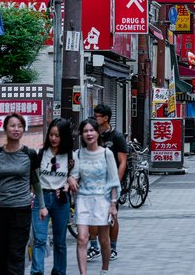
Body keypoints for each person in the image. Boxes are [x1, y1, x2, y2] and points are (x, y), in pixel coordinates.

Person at [0, 113, 45, 275]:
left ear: (23, 130)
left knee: (16, 254)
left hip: (21, 210)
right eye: (13, 126)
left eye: (20, 126)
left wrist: (42, 206)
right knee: (1, 253)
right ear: (5, 129)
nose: (16, 129)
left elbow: (36, 182)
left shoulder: (30, 154)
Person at [68, 118, 119, 275]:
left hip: (102, 200)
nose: (89, 134)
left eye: (92, 130)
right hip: (83, 199)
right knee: (82, 238)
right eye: (85, 131)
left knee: (104, 240)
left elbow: (113, 180)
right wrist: (70, 178)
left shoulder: (106, 153)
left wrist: (113, 204)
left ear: (98, 133)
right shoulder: (78, 154)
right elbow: (75, 175)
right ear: (81, 134)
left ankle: (104, 270)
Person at [31, 118, 74, 275]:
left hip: (60, 200)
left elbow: (75, 176)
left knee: (60, 241)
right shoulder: (40, 153)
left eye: (57, 135)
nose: (54, 138)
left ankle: (59, 271)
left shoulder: (70, 156)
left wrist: (69, 182)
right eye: (51, 135)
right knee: (40, 239)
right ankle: (37, 271)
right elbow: (34, 177)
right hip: (41, 198)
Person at [88, 105, 127, 261]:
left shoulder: (116, 136)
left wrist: (115, 183)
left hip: (110, 183)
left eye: (97, 116)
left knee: (111, 216)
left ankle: (113, 248)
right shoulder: (92, 135)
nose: (94, 118)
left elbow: (122, 162)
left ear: (105, 118)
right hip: (93, 182)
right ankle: (94, 247)